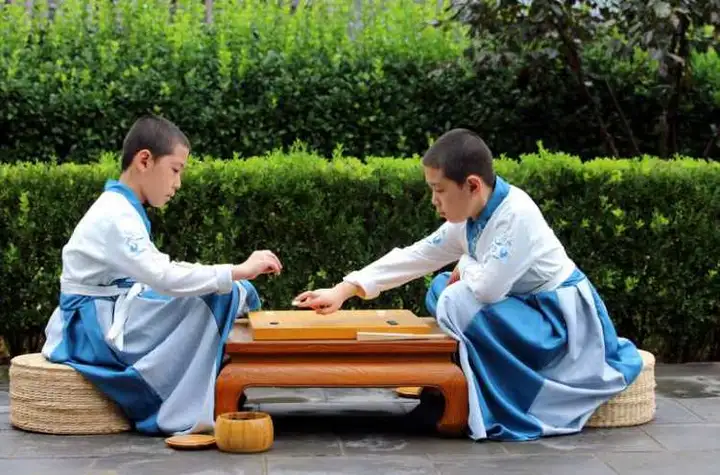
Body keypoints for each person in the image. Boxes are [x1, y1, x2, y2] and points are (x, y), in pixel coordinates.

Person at [293, 128, 643, 442]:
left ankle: (493, 399)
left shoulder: (516, 215)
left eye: (439, 190)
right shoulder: (473, 214)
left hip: (560, 326)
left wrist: (467, 263)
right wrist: (344, 289)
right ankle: (466, 386)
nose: (434, 201)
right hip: (522, 311)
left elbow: (488, 290)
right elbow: (418, 255)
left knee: (456, 298)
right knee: (441, 287)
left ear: (473, 185)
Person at [41, 115, 283, 436]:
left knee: (234, 290)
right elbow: (163, 277)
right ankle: (181, 404)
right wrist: (237, 270)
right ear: (145, 160)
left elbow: (160, 270)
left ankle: (214, 387)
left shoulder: (122, 208)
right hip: (90, 330)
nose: (178, 183)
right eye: (175, 170)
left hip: (109, 313)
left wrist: (234, 276)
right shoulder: (116, 214)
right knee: (223, 295)